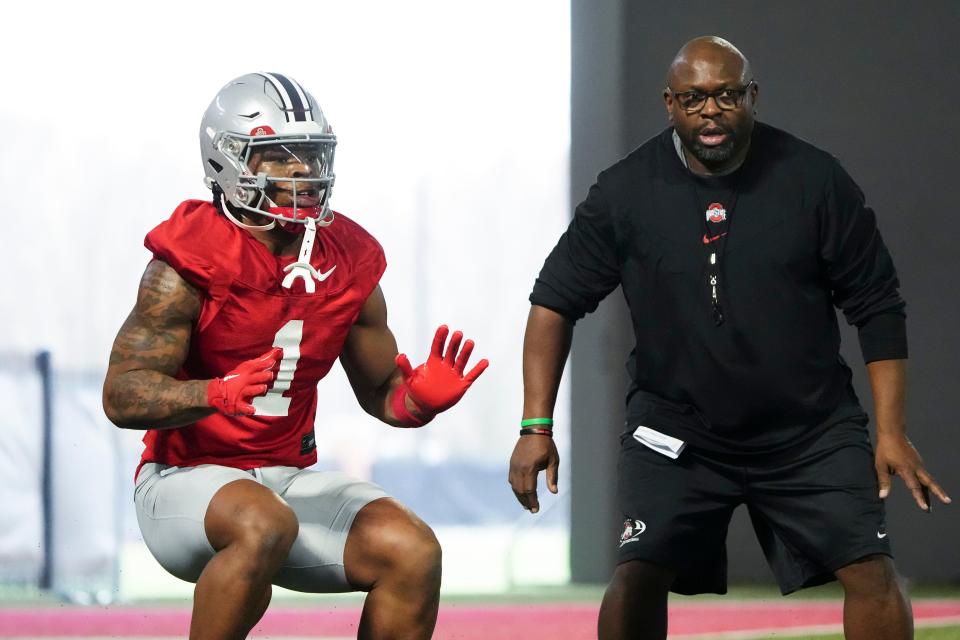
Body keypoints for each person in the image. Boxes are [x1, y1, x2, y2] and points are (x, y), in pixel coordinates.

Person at [508, 37, 951, 640]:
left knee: (871, 571)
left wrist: (892, 431)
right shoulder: (624, 192)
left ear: (752, 98)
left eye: (726, 95)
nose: (710, 111)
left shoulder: (816, 181)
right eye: (693, 98)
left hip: (809, 429)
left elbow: (877, 306)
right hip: (677, 428)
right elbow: (553, 302)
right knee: (637, 572)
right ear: (669, 104)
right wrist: (536, 426)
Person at [102, 72, 488, 640]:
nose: (303, 171)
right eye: (279, 158)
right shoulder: (186, 260)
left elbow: (384, 395)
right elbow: (122, 392)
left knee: (412, 549)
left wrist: (419, 401)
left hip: (284, 478)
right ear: (229, 162)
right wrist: (215, 393)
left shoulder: (349, 257)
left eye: (310, 154)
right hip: (182, 480)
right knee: (262, 522)